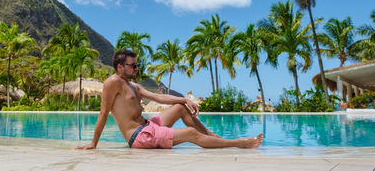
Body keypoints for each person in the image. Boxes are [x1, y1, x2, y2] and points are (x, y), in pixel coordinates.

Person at [75, 49, 263, 149]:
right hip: (139, 136)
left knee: (180, 109)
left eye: (137, 65)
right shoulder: (113, 82)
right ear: (119, 67)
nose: (136, 68)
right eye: (132, 66)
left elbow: (158, 97)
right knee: (190, 133)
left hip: (148, 126)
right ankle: (240, 143)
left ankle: (212, 137)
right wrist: (93, 143)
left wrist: (183, 100)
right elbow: (103, 112)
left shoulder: (133, 86)